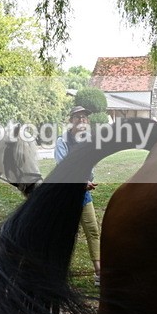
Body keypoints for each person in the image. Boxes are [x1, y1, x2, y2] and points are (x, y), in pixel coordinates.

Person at [55, 105, 102, 285]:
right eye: (78, 117)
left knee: (93, 232)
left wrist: (87, 180)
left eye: (84, 117)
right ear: (71, 120)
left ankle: (99, 273)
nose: (82, 120)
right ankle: (59, 272)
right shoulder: (63, 141)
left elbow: (89, 165)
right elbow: (63, 167)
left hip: (83, 194)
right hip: (66, 194)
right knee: (65, 234)